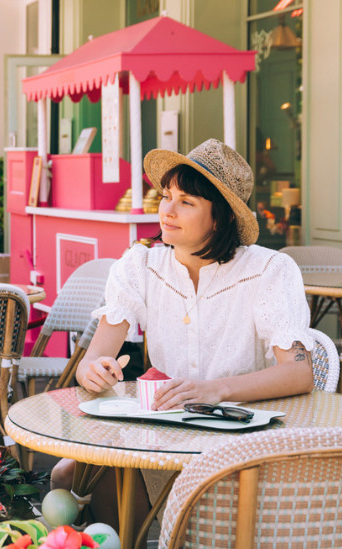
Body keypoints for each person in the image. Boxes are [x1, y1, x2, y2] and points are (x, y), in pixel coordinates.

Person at [51, 138, 315, 533]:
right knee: (67, 476)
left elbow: (299, 373)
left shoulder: (269, 271)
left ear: (220, 218)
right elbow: (94, 359)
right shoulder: (140, 265)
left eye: (186, 202)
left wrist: (215, 390)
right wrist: (94, 370)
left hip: (240, 446)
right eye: (166, 196)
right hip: (160, 439)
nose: (167, 211)